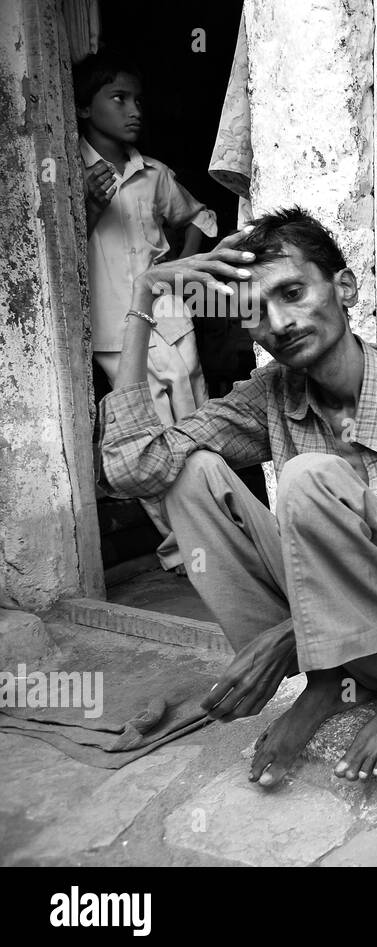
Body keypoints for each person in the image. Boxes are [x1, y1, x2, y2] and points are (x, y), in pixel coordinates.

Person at [97, 207, 377, 787]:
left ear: (345, 289)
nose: (278, 323)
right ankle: (328, 682)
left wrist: (291, 636)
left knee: (311, 478)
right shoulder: (271, 395)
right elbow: (137, 467)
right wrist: (144, 294)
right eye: (256, 312)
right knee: (192, 475)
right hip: (344, 642)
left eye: (291, 292)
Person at [76, 51, 218, 570]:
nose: (134, 110)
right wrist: (87, 204)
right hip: (118, 329)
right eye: (119, 99)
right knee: (144, 437)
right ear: (86, 109)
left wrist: (181, 267)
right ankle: (184, 552)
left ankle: (214, 537)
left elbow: (202, 214)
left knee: (197, 424)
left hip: (173, 320)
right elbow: (59, 252)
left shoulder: (153, 173)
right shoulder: (65, 171)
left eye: (137, 99)